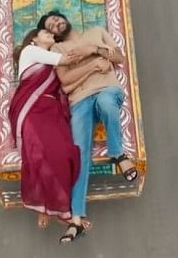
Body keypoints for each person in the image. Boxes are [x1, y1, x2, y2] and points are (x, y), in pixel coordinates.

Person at [37, 11, 139, 243]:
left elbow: (118, 58)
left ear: (64, 17)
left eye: (56, 19)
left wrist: (92, 49)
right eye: (51, 26)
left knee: (106, 103)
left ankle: (118, 154)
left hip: (106, 90)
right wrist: (93, 65)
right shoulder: (58, 50)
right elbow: (66, 82)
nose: (56, 24)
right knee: (79, 154)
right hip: (79, 101)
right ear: (52, 34)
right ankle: (76, 219)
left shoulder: (96, 32)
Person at [9, 28, 109, 232]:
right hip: (34, 110)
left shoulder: (51, 64)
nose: (51, 34)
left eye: (52, 34)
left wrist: (92, 70)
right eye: (45, 32)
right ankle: (55, 210)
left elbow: (65, 85)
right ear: (34, 38)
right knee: (43, 156)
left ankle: (51, 207)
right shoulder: (30, 51)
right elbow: (67, 59)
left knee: (67, 155)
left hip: (53, 113)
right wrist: (94, 50)